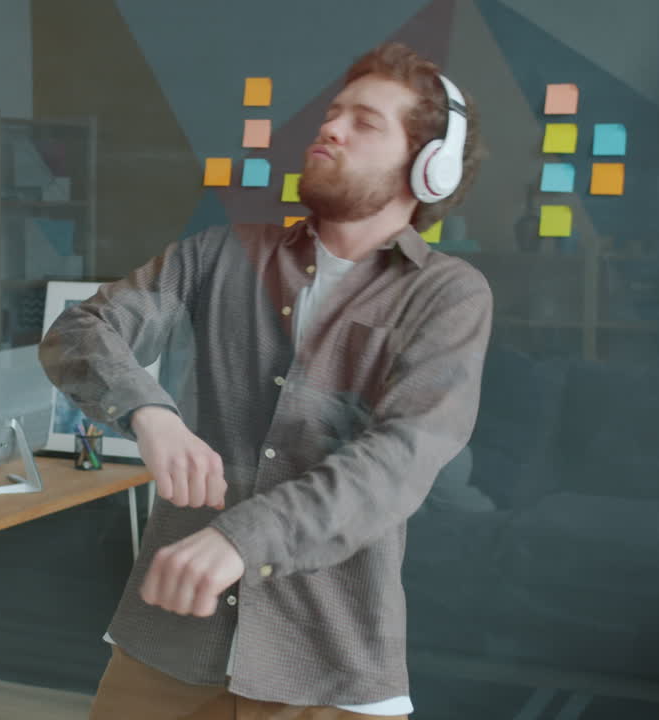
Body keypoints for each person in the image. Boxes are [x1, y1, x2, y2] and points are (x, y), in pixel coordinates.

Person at [39, 42, 492, 719]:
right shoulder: (219, 254)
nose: (330, 128)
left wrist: (240, 538)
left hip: (329, 664)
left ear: (428, 167)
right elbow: (79, 333)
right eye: (332, 114)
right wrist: (148, 414)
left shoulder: (447, 296)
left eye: (365, 122)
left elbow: (397, 461)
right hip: (167, 647)